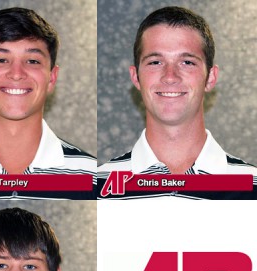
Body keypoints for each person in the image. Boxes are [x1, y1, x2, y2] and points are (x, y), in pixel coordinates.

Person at [0, 7, 97, 200]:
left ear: (52, 78)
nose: (17, 73)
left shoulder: (93, 178)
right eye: (2, 59)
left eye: (32, 61)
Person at [97, 6, 257, 199]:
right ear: (135, 77)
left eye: (187, 62)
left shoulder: (251, 187)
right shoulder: (99, 187)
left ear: (211, 78)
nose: (170, 76)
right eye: (155, 62)